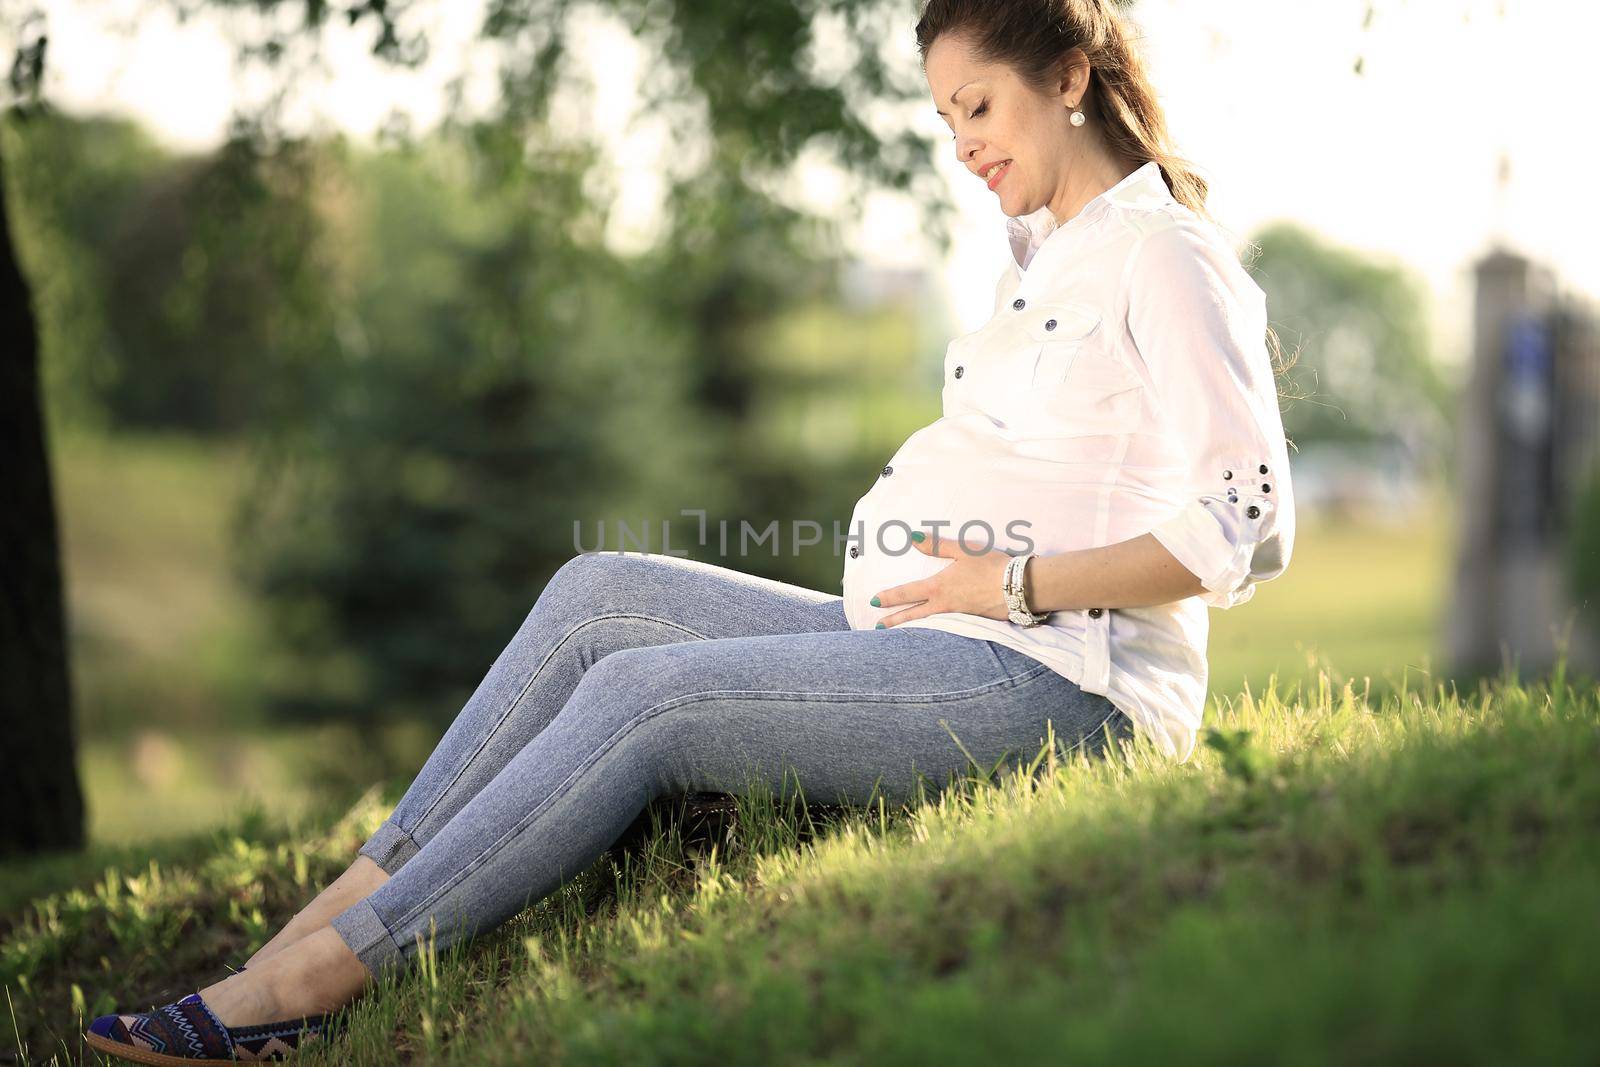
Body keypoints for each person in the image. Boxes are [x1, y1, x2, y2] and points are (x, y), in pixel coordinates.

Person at [83, 0, 1294, 1060]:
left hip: (1063, 688)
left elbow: (1246, 520)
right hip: (943, 640)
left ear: (1069, 77)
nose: (965, 144)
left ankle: (309, 985)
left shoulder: (1165, 257)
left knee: (646, 697)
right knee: (599, 591)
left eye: (977, 105)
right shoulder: (1044, 256)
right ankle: (335, 904)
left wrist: (1016, 581)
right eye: (945, 119)